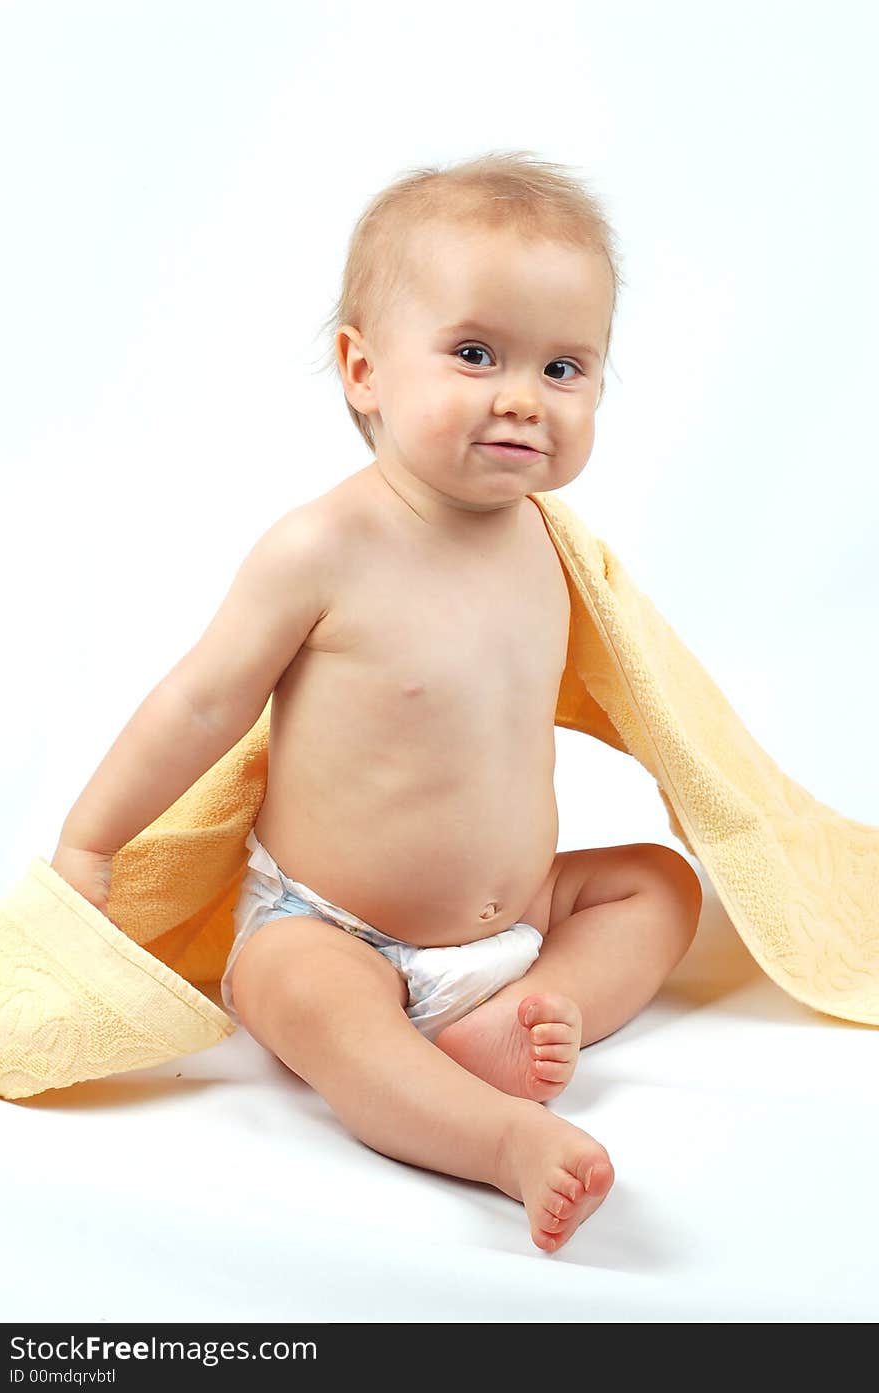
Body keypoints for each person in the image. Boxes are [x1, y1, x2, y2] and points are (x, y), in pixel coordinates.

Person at [51, 151, 703, 1255]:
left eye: (564, 368)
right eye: (474, 353)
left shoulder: (551, 545)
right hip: (332, 925)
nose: (521, 397)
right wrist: (91, 843)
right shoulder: (323, 547)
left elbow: (648, 700)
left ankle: (542, 1012)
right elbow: (202, 704)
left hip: (519, 916)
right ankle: (497, 1136)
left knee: (658, 883)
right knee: (297, 994)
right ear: (363, 369)